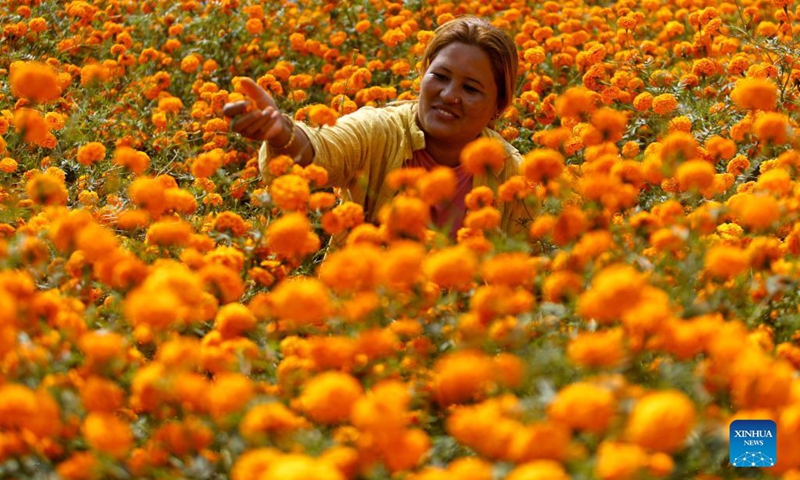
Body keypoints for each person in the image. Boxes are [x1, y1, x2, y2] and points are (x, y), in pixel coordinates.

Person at [223, 16, 531, 238]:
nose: (449, 95)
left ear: (498, 106)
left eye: (471, 89)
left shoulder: (511, 173)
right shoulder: (380, 131)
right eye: (440, 76)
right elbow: (324, 148)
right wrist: (280, 132)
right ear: (422, 75)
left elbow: (530, 271)